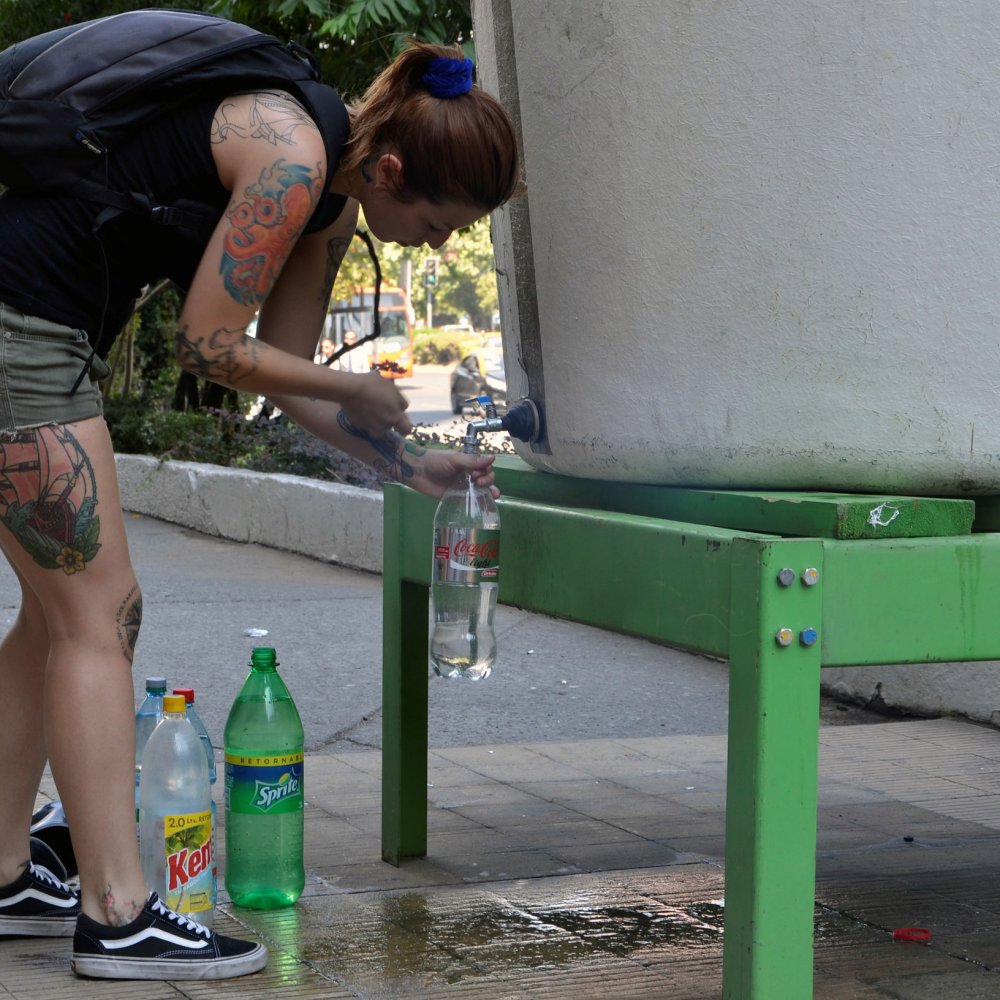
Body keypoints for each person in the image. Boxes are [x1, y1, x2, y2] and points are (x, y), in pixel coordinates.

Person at [0, 16, 521, 983]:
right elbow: (208, 343)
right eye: (442, 225)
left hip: (38, 329)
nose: (436, 246)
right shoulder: (288, 157)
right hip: (16, 325)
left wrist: (408, 466)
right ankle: (116, 914)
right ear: (396, 171)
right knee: (100, 613)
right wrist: (356, 388)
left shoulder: (322, 204)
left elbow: (274, 374)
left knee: (54, 616)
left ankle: (1, 872)